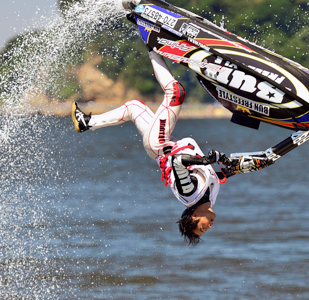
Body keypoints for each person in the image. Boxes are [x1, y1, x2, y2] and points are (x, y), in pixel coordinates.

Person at [71, 50, 227, 245]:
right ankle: (87, 122)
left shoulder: (190, 194)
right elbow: (220, 173)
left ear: (194, 216)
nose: (210, 226)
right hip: (158, 147)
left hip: (160, 144)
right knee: (133, 107)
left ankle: (153, 47)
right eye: (206, 229)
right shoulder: (208, 198)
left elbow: (179, 162)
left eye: (203, 227)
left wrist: (207, 160)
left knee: (176, 92)